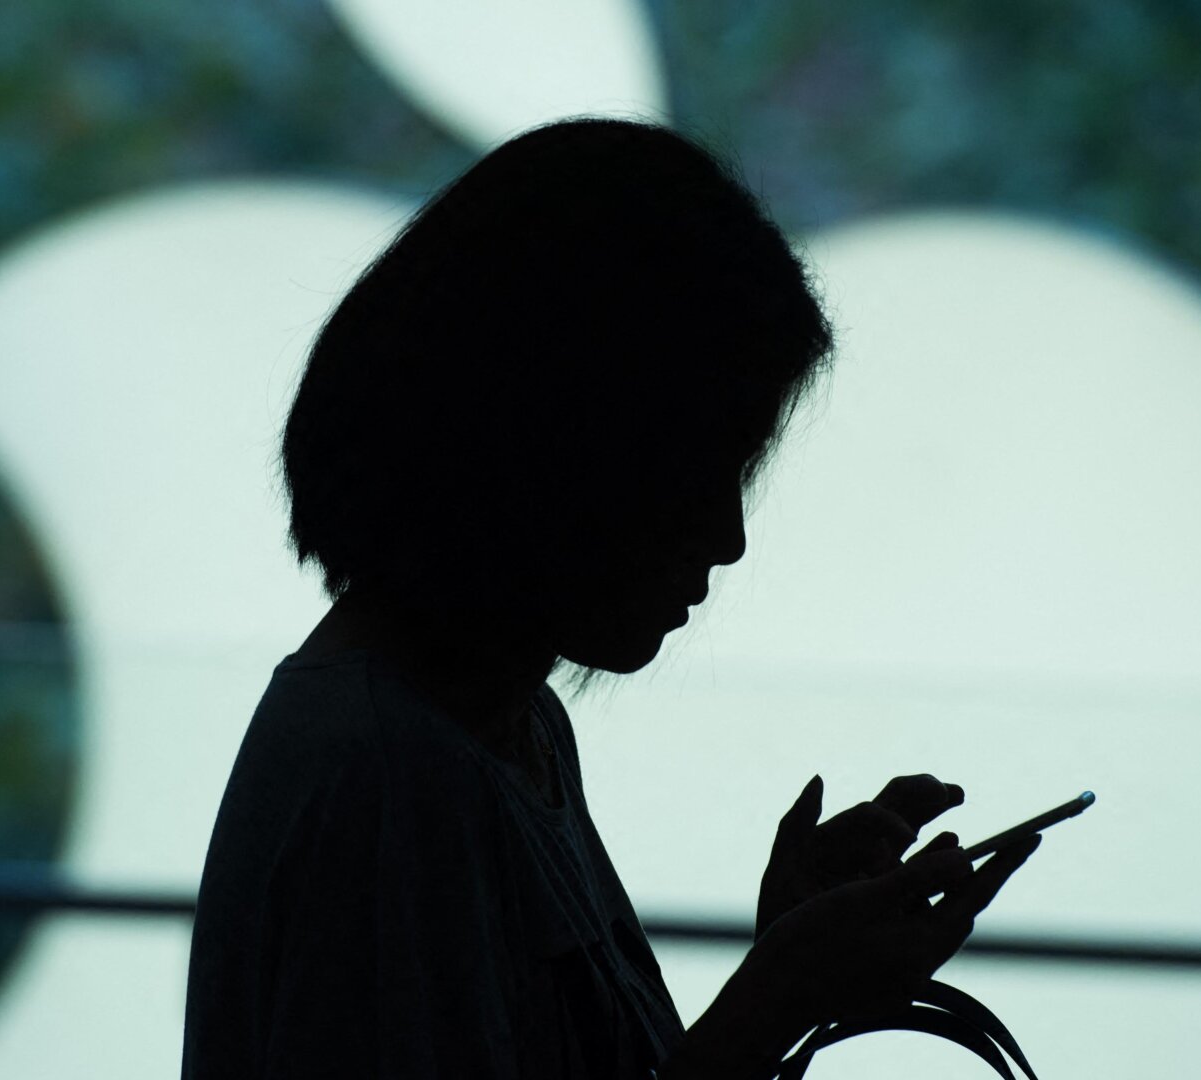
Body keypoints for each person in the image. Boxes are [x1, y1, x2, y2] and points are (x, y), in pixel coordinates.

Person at [181, 117, 1039, 1080]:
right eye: (691, 470)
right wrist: (776, 998)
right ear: (554, 446)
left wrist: (789, 970)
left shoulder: (499, 733)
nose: (727, 538)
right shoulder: (391, 779)